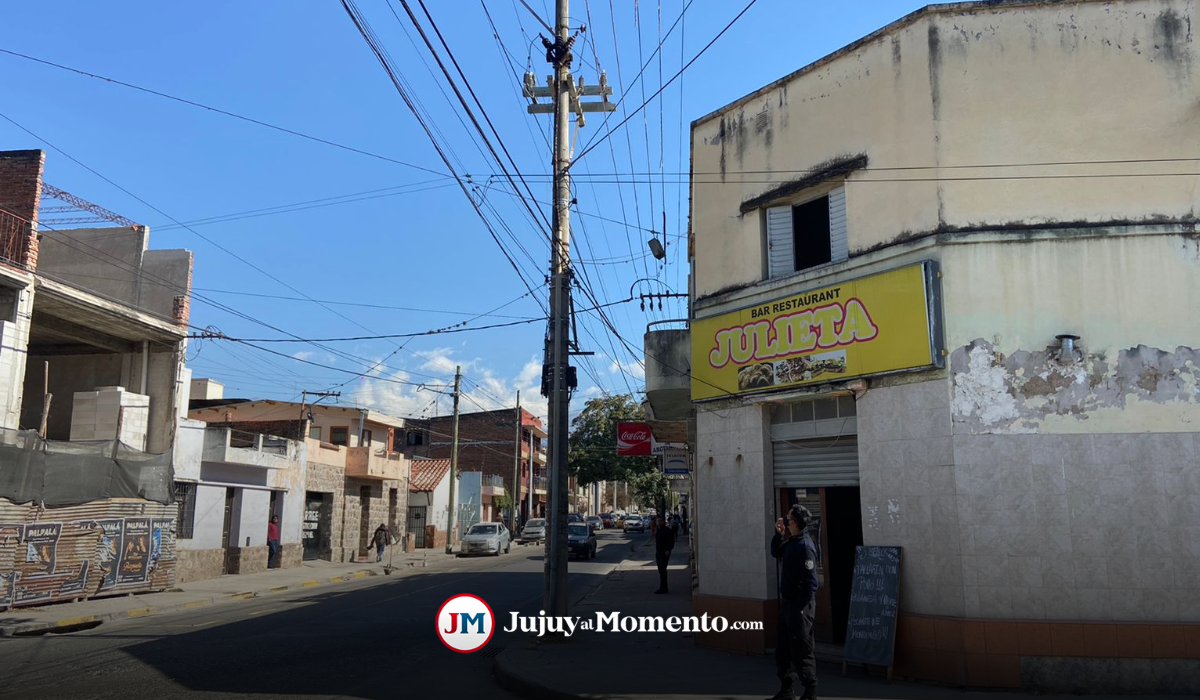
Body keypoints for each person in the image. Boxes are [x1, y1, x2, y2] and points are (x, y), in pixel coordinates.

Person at [769, 504, 820, 700]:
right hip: (787, 604)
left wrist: (799, 608)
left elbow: (811, 583)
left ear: (795, 522)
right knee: (783, 649)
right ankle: (787, 689)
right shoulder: (792, 541)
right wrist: (779, 534)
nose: (785, 521)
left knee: (802, 649)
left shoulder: (805, 546)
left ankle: (810, 691)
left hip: (800, 608)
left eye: (787, 519)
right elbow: (776, 552)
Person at [653, 515, 675, 594]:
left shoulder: (667, 530)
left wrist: (668, 550)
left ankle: (664, 588)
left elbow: (671, 541)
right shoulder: (658, 530)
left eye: (660, 521)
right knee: (660, 569)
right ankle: (662, 587)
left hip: (664, 552)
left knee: (663, 569)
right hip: (658, 551)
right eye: (657, 521)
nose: (658, 522)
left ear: (663, 521)